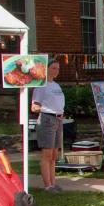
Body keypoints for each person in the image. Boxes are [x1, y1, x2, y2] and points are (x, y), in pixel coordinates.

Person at [30, 55, 66, 192]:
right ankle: (47, 185)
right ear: (47, 69)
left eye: (58, 68)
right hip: (47, 118)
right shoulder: (41, 86)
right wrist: (48, 110)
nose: (56, 71)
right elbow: (34, 106)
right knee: (47, 153)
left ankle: (53, 182)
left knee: (54, 154)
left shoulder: (56, 85)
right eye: (53, 68)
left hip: (58, 118)